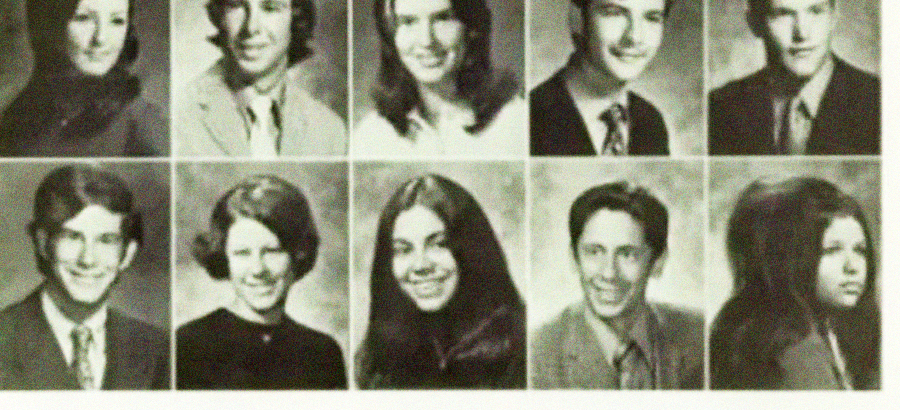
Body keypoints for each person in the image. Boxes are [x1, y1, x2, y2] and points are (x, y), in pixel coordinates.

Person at [0, 164, 169, 389]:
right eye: (72, 237)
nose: (87, 260)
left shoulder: (157, 347)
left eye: (106, 240)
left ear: (127, 254)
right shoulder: (5, 336)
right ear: (42, 243)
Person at [0, 0, 167, 157]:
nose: (101, 38)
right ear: (49, 21)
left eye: (117, 21)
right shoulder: (16, 118)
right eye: (84, 18)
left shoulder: (141, 123)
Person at [177, 0, 346, 157]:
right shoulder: (180, 114)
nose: (251, 27)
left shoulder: (329, 131)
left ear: (296, 18)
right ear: (219, 15)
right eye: (237, 5)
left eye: (270, 8)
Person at [708, 0, 879, 155]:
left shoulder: (878, 101)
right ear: (754, 23)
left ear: (834, 15)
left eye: (816, 11)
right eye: (783, 14)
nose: (802, 34)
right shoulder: (720, 108)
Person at [176, 174, 346, 389]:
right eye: (242, 253)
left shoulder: (323, 352)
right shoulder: (188, 345)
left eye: (272, 251)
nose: (258, 269)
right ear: (224, 257)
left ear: (298, 253)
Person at [354, 0, 524, 157]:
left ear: (471, 26)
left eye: (442, 18)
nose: (426, 40)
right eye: (408, 21)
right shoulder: (371, 137)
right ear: (390, 33)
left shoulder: (517, 124)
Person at [356, 174, 526, 388]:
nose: (420, 266)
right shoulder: (379, 359)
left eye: (439, 244)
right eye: (403, 250)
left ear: (472, 250)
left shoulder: (521, 349)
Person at [710, 176, 879, 389]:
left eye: (860, 250)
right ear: (794, 259)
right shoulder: (797, 351)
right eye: (832, 250)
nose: (853, 267)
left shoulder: (832, 334)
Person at [532, 181, 703, 388]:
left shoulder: (699, 336)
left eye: (628, 254)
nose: (609, 274)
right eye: (594, 252)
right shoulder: (538, 352)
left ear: (658, 262)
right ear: (574, 258)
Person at [531, 0, 673, 156]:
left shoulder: (650, 121)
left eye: (652, 18)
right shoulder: (533, 116)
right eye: (615, 13)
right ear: (577, 19)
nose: (635, 37)